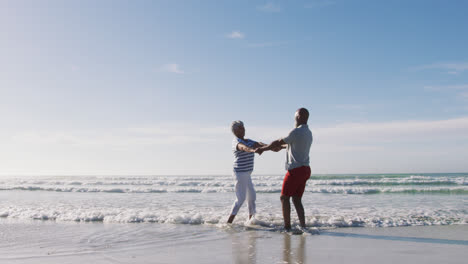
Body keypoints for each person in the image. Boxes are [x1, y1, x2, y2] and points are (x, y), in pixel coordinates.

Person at [256, 108, 312, 230]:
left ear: (298, 117)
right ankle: (303, 226)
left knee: (284, 197)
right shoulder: (308, 132)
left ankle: (287, 227)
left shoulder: (295, 132)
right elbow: (288, 145)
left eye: (295, 117)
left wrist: (262, 148)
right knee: (297, 199)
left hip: (295, 170)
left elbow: (278, 141)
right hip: (306, 169)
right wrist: (273, 147)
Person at [227, 120, 272, 224]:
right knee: (241, 199)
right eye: (241, 128)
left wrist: (275, 147)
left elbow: (260, 144)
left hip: (247, 173)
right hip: (239, 173)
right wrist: (253, 150)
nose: (244, 129)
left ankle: (250, 221)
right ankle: (228, 223)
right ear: (235, 131)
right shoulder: (236, 142)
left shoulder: (248, 140)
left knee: (252, 197)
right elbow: (244, 148)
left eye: (243, 127)